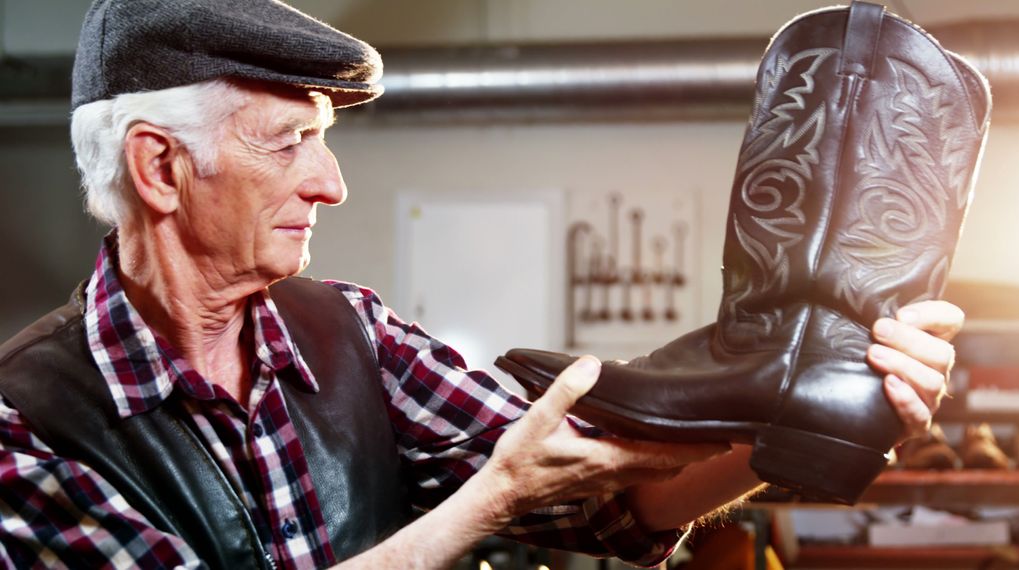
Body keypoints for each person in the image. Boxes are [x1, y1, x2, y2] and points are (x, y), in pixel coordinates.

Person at [0, 1, 963, 568]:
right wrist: (484, 502)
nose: (329, 183)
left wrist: (812, 417)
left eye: (324, 144)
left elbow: (609, 491)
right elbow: (513, 485)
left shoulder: (351, 335)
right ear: (161, 168)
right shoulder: (24, 423)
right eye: (289, 142)